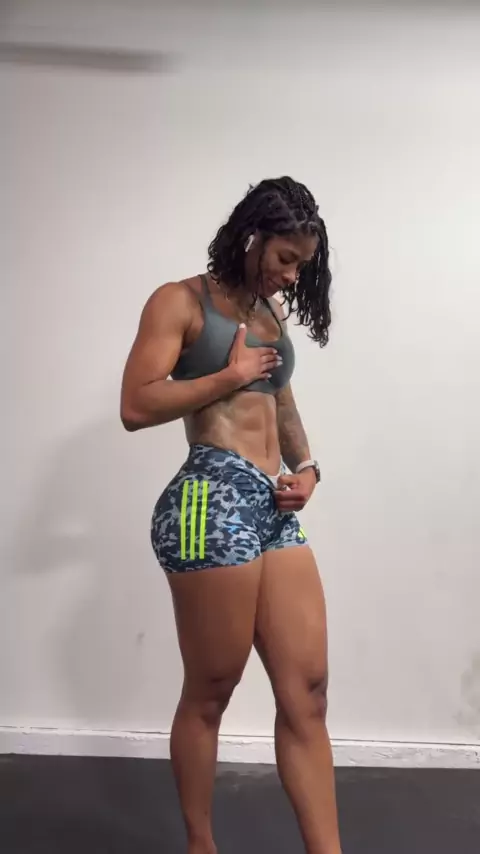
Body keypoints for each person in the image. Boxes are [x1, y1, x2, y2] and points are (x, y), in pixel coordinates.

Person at [120, 176, 342, 854]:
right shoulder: (180, 300)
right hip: (208, 498)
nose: (292, 275)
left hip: (270, 502)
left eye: (302, 264)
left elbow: (281, 400)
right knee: (213, 687)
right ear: (252, 237)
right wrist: (226, 375)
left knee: (307, 691)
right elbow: (136, 404)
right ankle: (201, 845)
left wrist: (308, 468)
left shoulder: (269, 316)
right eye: (284, 258)